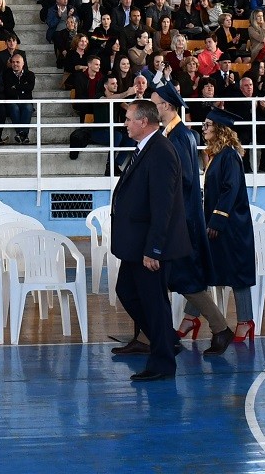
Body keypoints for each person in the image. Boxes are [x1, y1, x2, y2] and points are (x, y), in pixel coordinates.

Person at [109, 99, 190, 382]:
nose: (125, 123)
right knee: (127, 290)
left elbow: (163, 206)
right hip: (135, 245)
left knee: (154, 301)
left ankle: (162, 363)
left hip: (149, 247)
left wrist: (153, 249)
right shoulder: (146, 148)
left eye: (129, 119)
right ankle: (166, 340)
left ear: (144, 122)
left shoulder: (161, 152)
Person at [151, 83, 236, 354]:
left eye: (154, 103)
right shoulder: (173, 134)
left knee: (185, 281)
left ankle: (219, 328)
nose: (151, 107)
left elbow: (184, 179)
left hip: (181, 223)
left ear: (166, 106)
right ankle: (157, 335)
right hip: (178, 221)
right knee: (167, 280)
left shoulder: (178, 137)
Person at [200, 108, 257, 343]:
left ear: (220, 129)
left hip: (232, 225)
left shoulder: (230, 155)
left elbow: (230, 189)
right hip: (220, 224)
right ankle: (190, 318)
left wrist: (217, 219)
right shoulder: (217, 155)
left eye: (208, 125)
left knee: (236, 272)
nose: (203, 128)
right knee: (205, 270)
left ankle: (245, 321)